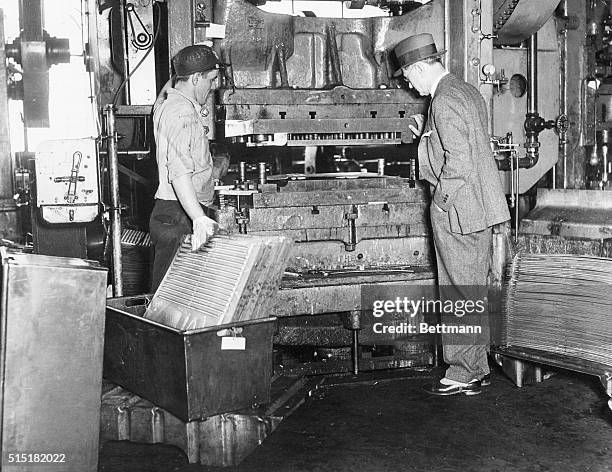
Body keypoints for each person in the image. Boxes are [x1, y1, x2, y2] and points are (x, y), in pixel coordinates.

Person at [393, 33, 510, 396]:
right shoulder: (466, 90)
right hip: (479, 207)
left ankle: (463, 370)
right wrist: (426, 139)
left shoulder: (442, 102)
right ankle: (476, 366)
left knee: (459, 290)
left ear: (418, 67)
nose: (409, 85)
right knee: (471, 287)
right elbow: (468, 145)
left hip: (458, 210)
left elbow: (458, 164)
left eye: (408, 77)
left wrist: (440, 202)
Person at [149, 45, 229, 292]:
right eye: (211, 79)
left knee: (174, 295)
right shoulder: (182, 113)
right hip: (180, 215)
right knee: (173, 297)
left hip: (176, 211)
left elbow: (173, 82)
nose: (213, 86)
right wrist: (198, 219)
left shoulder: (165, 103)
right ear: (195, 78)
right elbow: (179, 171)